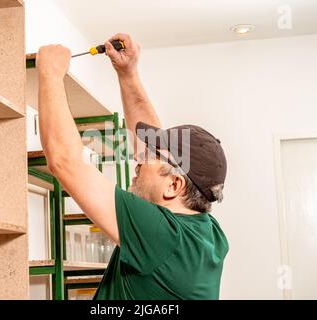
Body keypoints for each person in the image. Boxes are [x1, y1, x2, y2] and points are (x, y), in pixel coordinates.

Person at [36, 33, 229, 300]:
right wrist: (128, 74)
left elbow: (64, 161)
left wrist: (49, 75)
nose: (139, 159)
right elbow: (149, 148)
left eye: (151, 157)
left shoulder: (164, 236)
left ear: (174, 184)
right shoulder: (206, 230)